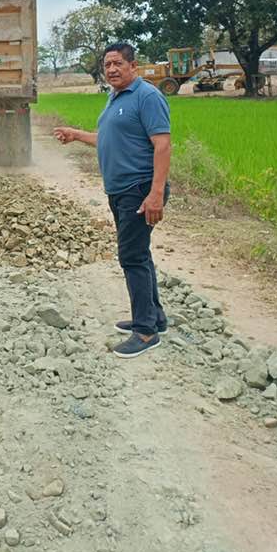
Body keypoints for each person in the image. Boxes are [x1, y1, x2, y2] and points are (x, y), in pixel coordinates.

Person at [54, 42, 171, 359]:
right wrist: (76, 134)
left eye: (118, 63)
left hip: (139, 189)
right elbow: (108, 138)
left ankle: (145, 332)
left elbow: (162, 145)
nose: (112, 69)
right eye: (107, 65)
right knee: (139, 253)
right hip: (120, 191)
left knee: (131, 257)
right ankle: (155, 318)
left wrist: (156, 193)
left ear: (134, 66)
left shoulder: (147, 96)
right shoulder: (115, 97)